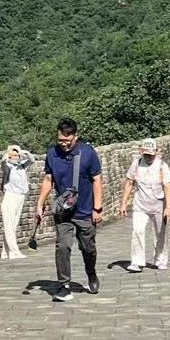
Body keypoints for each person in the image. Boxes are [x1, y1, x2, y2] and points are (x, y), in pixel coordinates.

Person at [35, 117, 103, 301]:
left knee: (88, 248)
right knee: (63, 246)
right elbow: (49, 179)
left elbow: (97, 180)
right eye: (60, 140)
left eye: (67, 140)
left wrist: (97, 208)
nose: (64, 144)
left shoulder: (88, 153)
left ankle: (91, 273)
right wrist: (40, 202)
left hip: (85, 209)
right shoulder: (52, 154)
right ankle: (64, 285)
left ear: (75, 136)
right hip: (63, 210)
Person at [119, 137, 170, 272]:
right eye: (146, 154)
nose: (148, 157)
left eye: (151, 154)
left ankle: (160, 259)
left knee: (160, 234)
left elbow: (167, 187)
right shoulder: (137, 164)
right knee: (137, 231)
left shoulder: (162, 166)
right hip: (140, 205)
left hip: (158, 205)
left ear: (156, 152)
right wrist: (123, 204)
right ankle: (137, 262)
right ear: (141, 152)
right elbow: (129, 183)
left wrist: (168, 208)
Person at [0, 144, 32, 259]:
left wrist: (23, 152)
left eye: (17, 153)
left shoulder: (22, 166)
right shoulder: (7, 166)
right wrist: (8, 155)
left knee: (13, 225)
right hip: (10, 196)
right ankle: (14, 252)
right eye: (13, 154)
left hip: (20, 196)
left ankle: (5, 251)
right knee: (9, 225)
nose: (16, 156)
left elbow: (31, 159)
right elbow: (3, 161)